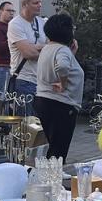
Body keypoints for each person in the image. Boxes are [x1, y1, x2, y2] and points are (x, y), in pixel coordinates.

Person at [33, 13, 84, 160]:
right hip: (61, 103)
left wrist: (71, 54)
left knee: (52, 141)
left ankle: (51, 170)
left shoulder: (47, 49)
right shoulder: (62, 50)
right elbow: (62, 66)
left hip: (44, 100)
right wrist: (63, 83)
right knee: (60, 142)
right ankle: (55, 171)